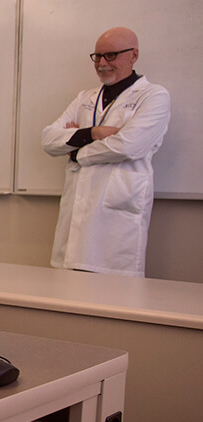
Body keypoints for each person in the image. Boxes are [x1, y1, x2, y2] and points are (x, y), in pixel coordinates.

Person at [41, 27, 170, 277]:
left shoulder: (154, 96)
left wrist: (77, 152)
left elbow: (128, 145)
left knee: (113, 304)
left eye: (110, 55)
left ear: (133, 55)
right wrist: (93, 133)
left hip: (116, 229)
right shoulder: (84, 98)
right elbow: (48, 140)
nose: (102, 63)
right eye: (97, 56)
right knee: (66, 297)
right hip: (74, 223)